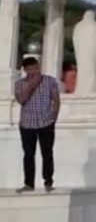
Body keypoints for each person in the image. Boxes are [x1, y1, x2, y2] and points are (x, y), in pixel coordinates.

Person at [15, 57, 61, 193]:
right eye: (30, 69)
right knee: (29, 154)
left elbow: (56, 99)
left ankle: (48, 181)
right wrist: (31, 86)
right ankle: (29, 184)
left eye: (35, 68)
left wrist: (54, 117)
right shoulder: (20, 84)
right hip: (27, 123)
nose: (34, 71)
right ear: (25, 70)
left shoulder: (50, 81)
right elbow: (21, 100)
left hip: (46, 122)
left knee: (47, 153)